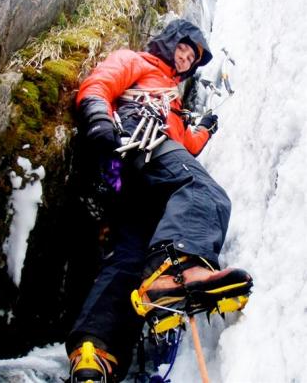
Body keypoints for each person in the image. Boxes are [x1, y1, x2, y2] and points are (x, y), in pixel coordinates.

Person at [66, 19, 253, 383]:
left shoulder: (174, 97)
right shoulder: (135, 61)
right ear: (168, 42)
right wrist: (97, 118)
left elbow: (181, 146)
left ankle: (94, 352)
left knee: (130, 256)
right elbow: (99, 84)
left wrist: (204, 130)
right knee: (203, 191)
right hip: (138, 135)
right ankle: (178, 269)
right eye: (183, 48)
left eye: (192, 59)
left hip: (138, 176)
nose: (185, 59)